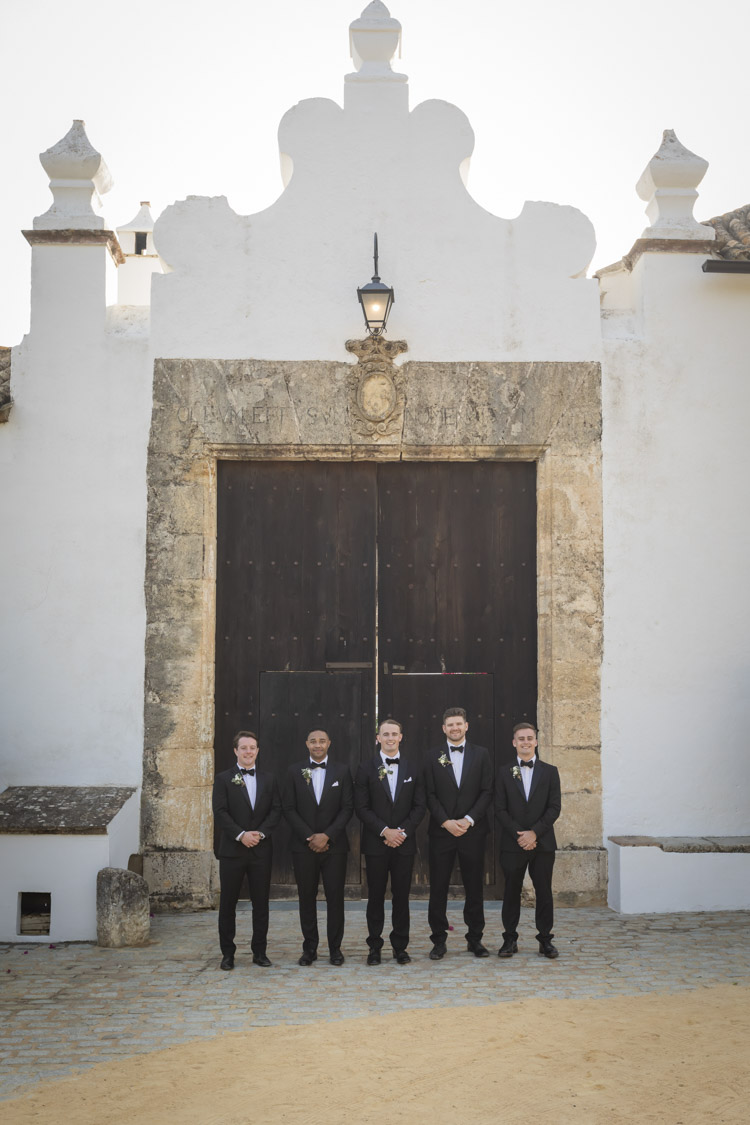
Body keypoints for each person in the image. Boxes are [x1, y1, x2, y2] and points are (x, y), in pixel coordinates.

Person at [354, 718, 427, 965]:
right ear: (378, 738)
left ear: (401, 736)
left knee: (401, 897)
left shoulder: (413, 768)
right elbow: (361, 807)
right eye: (385, 734)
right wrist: (385, 831)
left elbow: (420, 805)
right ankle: (374, 947)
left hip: (404, 844)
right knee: (375, 896)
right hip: (377, 843)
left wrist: (402, 832)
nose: (390, 738)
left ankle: (400, 947)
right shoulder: (365, 768)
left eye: (394, 734)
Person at [424, 707, 493, 959]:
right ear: (444, 728)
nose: (454, 728)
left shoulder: (482, 754)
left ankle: (475, 939)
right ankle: (438, 940)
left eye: (458, 724)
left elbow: (487, 791)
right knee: (439, 887)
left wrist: (468, 820)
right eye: (450, 724)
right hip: (442, 833)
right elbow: (428, 793)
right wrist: (445, 821)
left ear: (466, 726)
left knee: (474, 887)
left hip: (472, 832)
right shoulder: (432, 756)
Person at [282, 728, 354, 966]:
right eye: (313, 741)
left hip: (334, 847)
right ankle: (309, 948)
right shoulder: (294, 771)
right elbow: (289, 808)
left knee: (335, 898)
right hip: (304, 847)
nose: (318, 745)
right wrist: (310, 837)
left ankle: (335, 948)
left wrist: (327, 836)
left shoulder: (342, 771)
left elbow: (347, 808)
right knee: (306, 897)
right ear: (307, 744)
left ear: (329, 744)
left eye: (322, 741)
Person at [211, 730, 281, 971]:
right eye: (244, 748)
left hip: (261, 850)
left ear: (257, 751)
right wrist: (241, 835)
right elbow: (220, 812)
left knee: (261, 903)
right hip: (232, 850)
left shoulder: (269, 779)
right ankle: (227, 954)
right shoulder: (223, 779)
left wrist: (260, 834)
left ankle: (259, 952)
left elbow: (276, 810)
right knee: (228, 903)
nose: (248, 752)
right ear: (236, 751)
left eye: (252, 748)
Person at [495, 722, 561, 959]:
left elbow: (554, 808)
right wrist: (520, 835)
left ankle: (545, 940)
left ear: (536, 741)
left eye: (529, 738)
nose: (525, 742)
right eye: (520, 738)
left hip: (543, 843)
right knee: (511, 891)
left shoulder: (550, 771)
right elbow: (500, 809)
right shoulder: (503, 772)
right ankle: (509, 940)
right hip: (512, 843)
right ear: (514, 742)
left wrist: (535, 833)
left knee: (544, 891)